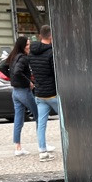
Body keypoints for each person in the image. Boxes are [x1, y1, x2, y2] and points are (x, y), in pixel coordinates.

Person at [29, 24, 58, 162]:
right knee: (67, 121)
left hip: (40, 94)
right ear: (51, 36)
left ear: (40, 35)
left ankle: (42, 152)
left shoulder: (31, 53)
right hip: (53, 93)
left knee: (41, 123)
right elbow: (55, 73)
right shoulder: (51, 53)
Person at [6, 36, 38, 156]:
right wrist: (28, 82)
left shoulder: (13, 56)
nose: (29, 47)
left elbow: (3, 67)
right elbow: (17, 72)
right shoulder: (23, 58)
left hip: (15, 92)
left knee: (18, 119)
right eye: (27, 45)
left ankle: (18, 147)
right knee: (39, 116)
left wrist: (13, 79)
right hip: (24, 91)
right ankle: (42, 145)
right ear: (22, 46)